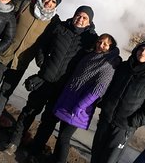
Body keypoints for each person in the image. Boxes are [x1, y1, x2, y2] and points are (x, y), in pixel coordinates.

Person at [0, 0, 63, 142]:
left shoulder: (53, 21)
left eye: (53, 2)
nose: (49, 3)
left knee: (5, 93)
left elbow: (51, 43)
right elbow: (5, 13)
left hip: (21, 62)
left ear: (56, 6)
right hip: (3, 53)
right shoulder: (25, 4)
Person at [3, 5, 98, 156]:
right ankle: (14, 141)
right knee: (29, 111)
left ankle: (33, 151)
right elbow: (43, 45)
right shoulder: (60, 28)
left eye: (84, 18)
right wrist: (42, 62)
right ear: (74, 15)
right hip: (44, 80)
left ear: (89, 21)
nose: (80, 19)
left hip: (64, 88)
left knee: (49, 121)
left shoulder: (92, 40)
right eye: (78, 15)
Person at [39, 34, 120, 163]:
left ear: (111, 47)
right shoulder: (91, 55)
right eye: (99, 42)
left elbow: (98, 90)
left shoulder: (109, 64)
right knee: (61, 135)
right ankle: (54, 158)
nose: (101, 45)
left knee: (64, 137)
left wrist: (79, 106)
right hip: (68, 99)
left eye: (105, 44)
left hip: (80, 107)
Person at [91, 40, 145, 163]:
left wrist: (134, 121)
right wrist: (103, 104)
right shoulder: (123, 67)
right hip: (106, 119)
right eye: (141, 49)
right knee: (96, 154)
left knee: (110, 159)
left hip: (124, 127)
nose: (143, 53)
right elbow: (108, 85)